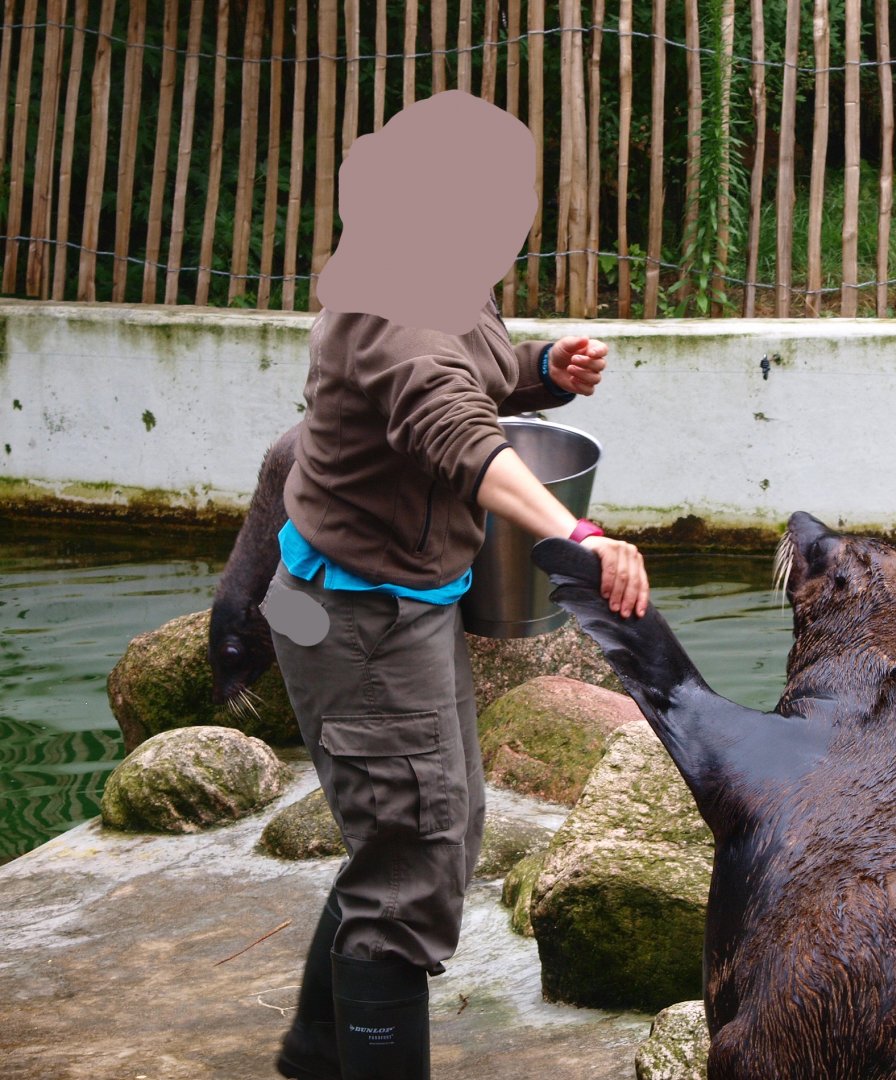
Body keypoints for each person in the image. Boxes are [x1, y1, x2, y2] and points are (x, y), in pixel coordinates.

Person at [260, 91, 648, 1080]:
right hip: (357, 613)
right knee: (417, 856)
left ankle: (317, 1052)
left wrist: (543, 369)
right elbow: (455, 428)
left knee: (420, 829)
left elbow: (472, 374)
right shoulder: (400, 307)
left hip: (366, 593)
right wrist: (579, 532)